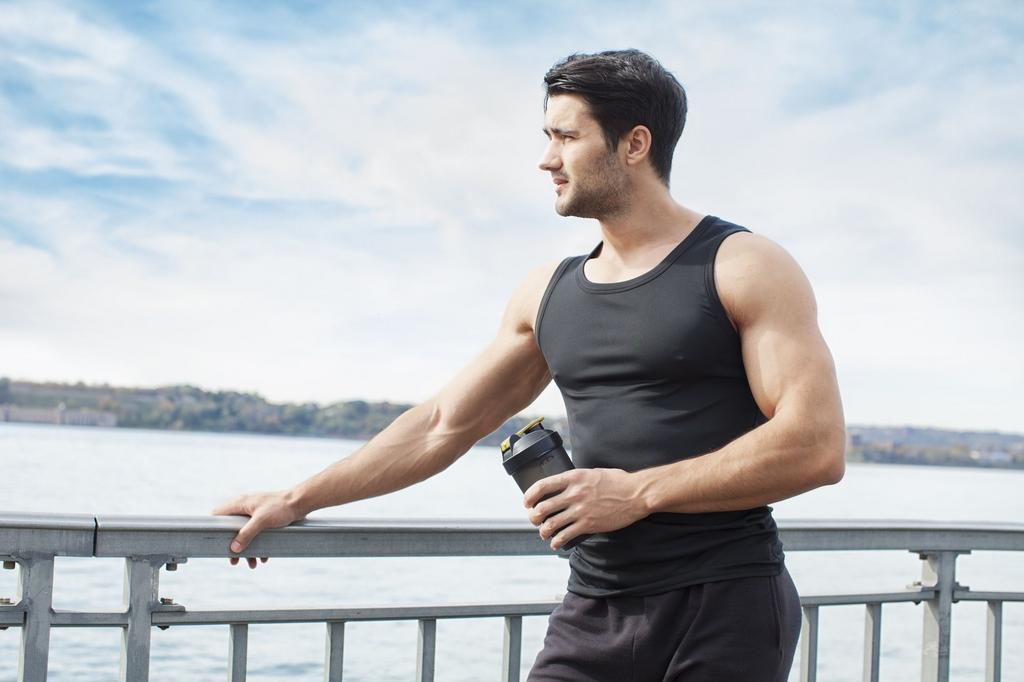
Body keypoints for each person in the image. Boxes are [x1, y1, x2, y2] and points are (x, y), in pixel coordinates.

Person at [213, 49, 845, 681]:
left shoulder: (743, 265)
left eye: (566, 137)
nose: (547, 159)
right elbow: (443, 424)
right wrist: (296, 498)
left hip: (727, 603)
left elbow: (816, 446)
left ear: (634, 144)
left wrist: (637, 493)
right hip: (593, 608)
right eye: (548, 137)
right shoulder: (547, 292)